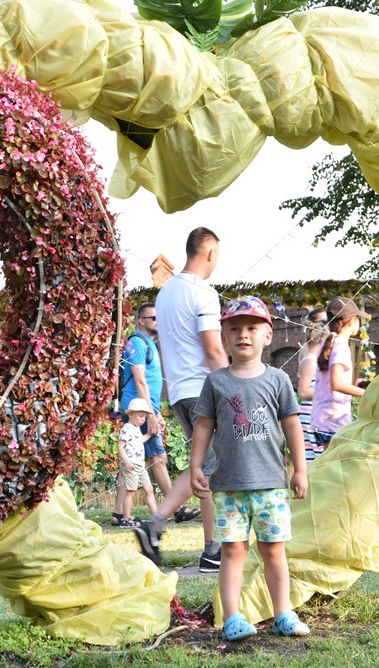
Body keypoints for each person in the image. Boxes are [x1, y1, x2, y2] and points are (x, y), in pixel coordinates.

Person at [189, 295, 310, 641]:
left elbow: (292, 425)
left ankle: (283, 613)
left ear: (268, 335)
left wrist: (299, 470)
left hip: (271, 485)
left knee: (273, 550)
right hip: (227, 487)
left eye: (252, 328)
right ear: (224, 337)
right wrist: (196, 465)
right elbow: (203, 425)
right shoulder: (216, 382)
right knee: (233, 550)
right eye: (235, 329)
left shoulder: (278, 381)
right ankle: (233, 617)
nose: (244, 334)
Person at [136, 227, 228, 572]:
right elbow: (213, 347)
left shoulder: (166, 293)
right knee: (209, 467)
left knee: (206, 467)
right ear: (211, 253)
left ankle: (210, 549)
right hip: (204, 387)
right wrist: (233, 387)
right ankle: (160, 524)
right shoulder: (202, 292)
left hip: (178, 391)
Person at [112, 302, 180, 527]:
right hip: (138, 409)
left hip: (144, 408)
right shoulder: (137, 343)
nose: (157, 322)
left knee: (132, 461)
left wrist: (156, 412)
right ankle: (175, 508)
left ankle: (119, 513)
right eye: (153, 318)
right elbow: (139, 379)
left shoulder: (149, 344)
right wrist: (150, 413)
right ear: (141, 320)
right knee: (159, 458)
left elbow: (149, 381)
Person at [309, 297, 368, 451]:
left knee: (330, 465)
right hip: (334, 420)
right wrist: (367, 392)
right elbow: (337, 384)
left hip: (322, 418)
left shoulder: (328, 342)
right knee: (335, 469)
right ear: (352, 321)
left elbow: (330, 382)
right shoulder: (341, 346)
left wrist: (352, 388)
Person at [115, 399, 161, 527]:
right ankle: (126, 518)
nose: (143, 420)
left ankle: (157, 516)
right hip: (131, 466)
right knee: (130, 491)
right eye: (140, 416)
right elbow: (120, 447)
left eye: (144, 417)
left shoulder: (136, 429)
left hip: (140, 466)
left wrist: (149, 434)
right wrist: (127, 462)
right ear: (131, 414)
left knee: (149, 489)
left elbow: (140, 440)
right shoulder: (126, 428)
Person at [296, 307, 328, 462]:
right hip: (309, 413)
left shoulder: (314, 357)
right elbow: (302, 392)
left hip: (315, 411)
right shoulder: (310, 360)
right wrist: (327, 392)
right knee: (313, 457)